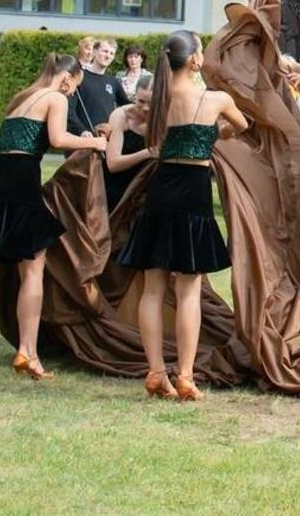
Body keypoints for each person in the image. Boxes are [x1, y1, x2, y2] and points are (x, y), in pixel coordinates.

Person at [0, 52, 107, 379]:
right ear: (67, 79)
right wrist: (96, 144)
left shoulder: (21, 98)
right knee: (33, 267)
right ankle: (28, 353)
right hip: (22, 180)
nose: (73, 94)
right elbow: (58, 139)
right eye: (75, 87)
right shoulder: (55, 97)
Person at [117, 30, 249, 399]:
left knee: (152, 288)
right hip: (193, 191)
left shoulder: (158, 98)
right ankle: (186, 376)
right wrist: (213, 134)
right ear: (194, 60)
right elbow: (242, 126)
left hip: (161, 189)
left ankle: (156, 372)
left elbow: (146, 132)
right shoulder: (216, 99)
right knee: (188, 289)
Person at [100, 75, 154, 213]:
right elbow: (113, 164)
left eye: (151, 102)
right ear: (135, 96)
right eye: (141, 101)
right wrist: (148, 152)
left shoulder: (165, 118)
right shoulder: (121, 115)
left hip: (145, 189)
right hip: (116, 187)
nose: (146, 108)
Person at [67, 35, 128, 137]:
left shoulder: (113, 82)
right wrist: (82, 131)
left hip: (104, 139)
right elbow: (69, 109)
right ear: (94, 51)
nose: (108, 56)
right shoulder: (80, 77)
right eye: (105, 51)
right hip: (81, 139)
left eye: (111, 53)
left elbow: (127, 107)